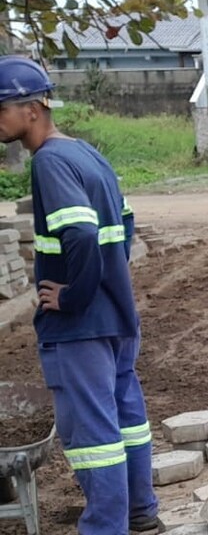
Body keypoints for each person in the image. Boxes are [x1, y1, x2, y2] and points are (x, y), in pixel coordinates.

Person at [0, 57, 161, 534]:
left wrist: (72, 297)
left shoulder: (50, 161)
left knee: (93, 436)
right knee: (126, 418)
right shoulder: (86, 153)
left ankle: (106, 528)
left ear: (31, 109)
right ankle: (141, 514)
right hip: (116, 315)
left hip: (80, 326)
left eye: (0, 108)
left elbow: (82, 236)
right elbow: (125, 222)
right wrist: (107, 284)